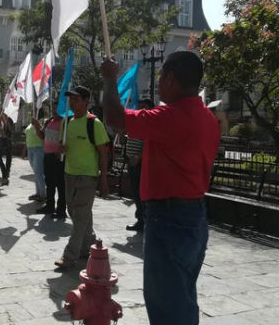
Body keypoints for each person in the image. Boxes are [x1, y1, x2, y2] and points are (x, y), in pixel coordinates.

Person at [101, 51, 220, 325]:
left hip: (170, 218)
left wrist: (109, 79)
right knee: (182, 297)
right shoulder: (206, 118)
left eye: (161, 77)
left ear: (170, 79)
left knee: (167, 303)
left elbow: (115, 118)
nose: (158, 83)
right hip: (193, 216)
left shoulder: (173, 116)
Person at [54, 86, 110, 270]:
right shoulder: (67, 122)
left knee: (80, 216)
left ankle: (70, 256)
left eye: (76, 99)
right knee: (76, 213)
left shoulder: (94, 123)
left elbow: (103, 153)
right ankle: (91, 245)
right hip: (69, 173)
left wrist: (103, 179)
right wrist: (60, 149)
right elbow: (62, 146)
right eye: (71, 99)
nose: (72, 102)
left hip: (88, 176)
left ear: (86, 100)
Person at [124, 98, 154, 232]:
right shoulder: (136, 123)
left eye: (144, 107)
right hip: (132, 162)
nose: (141, 109)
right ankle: (140, 220)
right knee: (136, 193)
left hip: (142, 163)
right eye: (139, 106)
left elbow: (148, 144)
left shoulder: (150, 124)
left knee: (144, 194)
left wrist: (138, 157)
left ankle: (147, 221)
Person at [34, 100, 67, 219]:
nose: (54, 111)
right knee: (49, 183)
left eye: (56, 109)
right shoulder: (49, 121)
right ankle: (49, 206)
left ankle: (61, 210)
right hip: (48, 156)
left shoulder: (65, 123)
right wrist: (37, 127)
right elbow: (42, 136)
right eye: (53, 108)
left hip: (59, 158)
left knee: (60, 184)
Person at [25, 114, 45, 202]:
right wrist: (24, 148)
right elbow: (27, 137)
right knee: (36, 172)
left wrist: (37, 124)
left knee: (38, 172)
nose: (31, 116)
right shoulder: (30, 124)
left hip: (38, 149)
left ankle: (43, 194)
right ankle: (38, 192)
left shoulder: (42, 121)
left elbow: (43, 132)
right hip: (30, 149)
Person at [0, 111, 14, 186]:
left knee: (8, 158)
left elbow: (11, 130)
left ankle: (5, 175)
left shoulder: (9, 119)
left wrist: (6, 121)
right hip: (0, 141)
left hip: (8, 140)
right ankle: (5, 173)